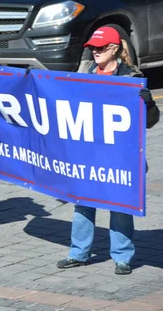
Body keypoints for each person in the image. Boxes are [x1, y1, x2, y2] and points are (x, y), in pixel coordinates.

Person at [56, 27, 160, 275]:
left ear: (114, 49)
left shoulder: (131, 77)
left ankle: (122, 257)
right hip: (89, 153)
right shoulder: (86, 73)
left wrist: (148, 103)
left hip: (119, 155)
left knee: (120, 204)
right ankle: (78, 253)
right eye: (92, 47)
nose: (95, 52)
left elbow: (150, 121)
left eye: (101, 48)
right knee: (82, 202)